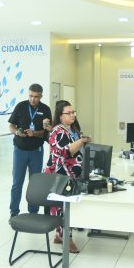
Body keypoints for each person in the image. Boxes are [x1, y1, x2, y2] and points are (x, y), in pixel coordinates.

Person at [44, 100, 86, 253]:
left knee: (63, 206)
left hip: (69, 173)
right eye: (69, 113)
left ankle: (59, 235)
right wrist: (81, 141)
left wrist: (81, 140)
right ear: (60, 116)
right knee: (63, 208)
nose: (72, 115)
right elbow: (65, 152)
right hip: (61, 174)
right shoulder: (57, 131)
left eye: (73, 112)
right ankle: (66, 239)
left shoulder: (71, 129)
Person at [8, 83, 52, 218]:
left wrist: (35, 133)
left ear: (41, 96)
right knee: (17, 183)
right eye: (31, 96)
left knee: (34, 183)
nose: (33, 99)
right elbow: (11, 126)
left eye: (36, 97)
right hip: (20, 150)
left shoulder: (45, 110)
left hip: (36, 151)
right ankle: (14, 213)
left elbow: (48, 131)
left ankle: (33, 212)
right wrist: (17, 132)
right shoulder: (21, 106)